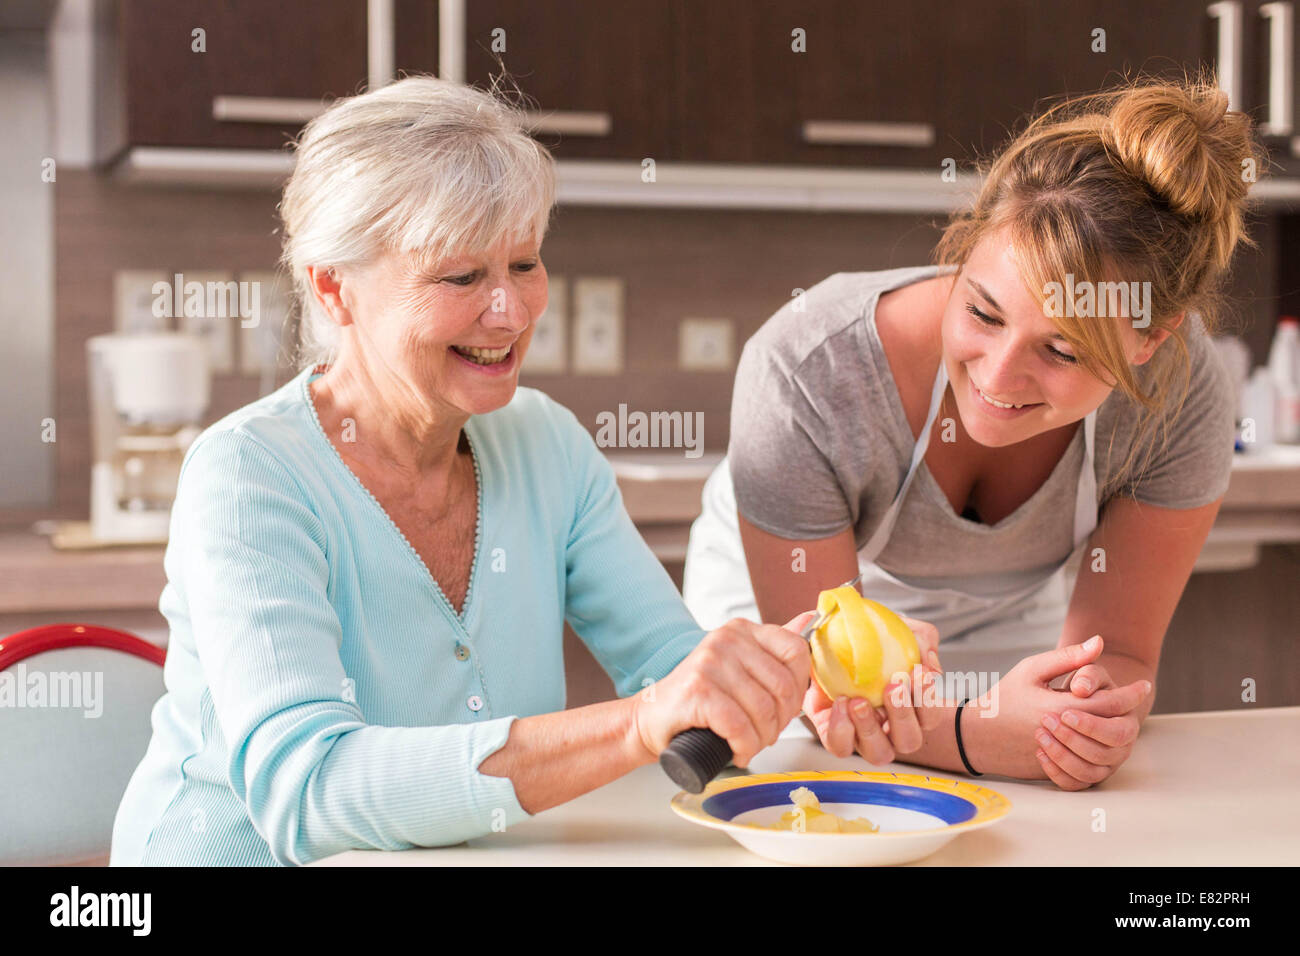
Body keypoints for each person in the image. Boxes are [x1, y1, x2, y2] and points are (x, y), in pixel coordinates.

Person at [110, 76, 814, 866]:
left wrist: (792, 673)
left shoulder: (548, 445)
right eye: (461, 277)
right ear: (335, 288)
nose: (510, 312)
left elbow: (676, 675)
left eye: (523, 263)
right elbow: (311, 795)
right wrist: (637, 722)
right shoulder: (248, 476)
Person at [684, 76, 1263, 790]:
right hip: (800, 628)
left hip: (1008, 624)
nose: (997, 376)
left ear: (1152, 339)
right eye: (984, 314)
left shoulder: (1181, 396)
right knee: (818, 794)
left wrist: (1079, 721)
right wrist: (974, 735)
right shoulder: (808, 371)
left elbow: (1120, 656)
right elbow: (826, 687)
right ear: (964, 252)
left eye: (1061, 351)